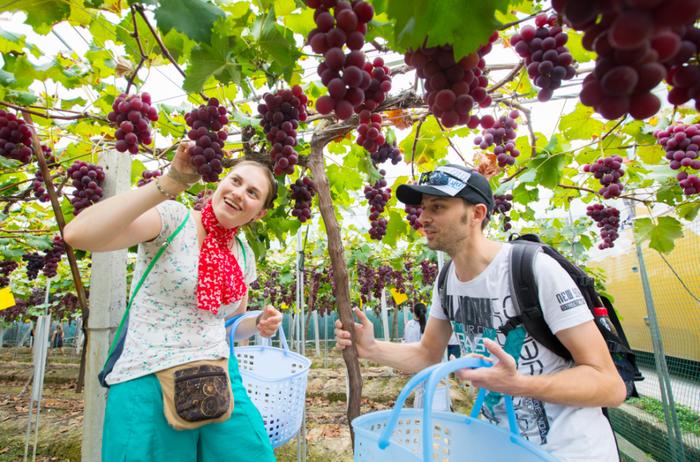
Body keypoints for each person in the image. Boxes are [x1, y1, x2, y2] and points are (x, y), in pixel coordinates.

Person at [335, 164, 626, 462]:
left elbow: (610, 385)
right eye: (423, 208)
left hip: (570, 453)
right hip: (499, 448)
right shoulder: (447, 280)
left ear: (477, 214)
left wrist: (521, 385)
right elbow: (427, 355)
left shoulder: (533, 270)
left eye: (437, 207)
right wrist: (370, 348)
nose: (423, 218)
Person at [64, 142, 283, 462]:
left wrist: (258, 323)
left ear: (259, 212)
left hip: (217, 378)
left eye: (252, 193)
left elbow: (228, 324)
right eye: (235, 181)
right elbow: (79, 234)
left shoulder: (243, 254)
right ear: (220, 182)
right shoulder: (174, 218)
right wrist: (170, 183)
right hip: (148, 377)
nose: (239, 193)